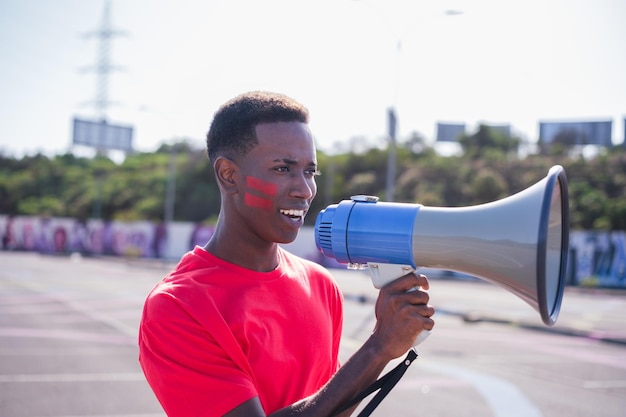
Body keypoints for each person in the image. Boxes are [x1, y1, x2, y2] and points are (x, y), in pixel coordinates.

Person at [138, 91, 435, 417]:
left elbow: (330, 409)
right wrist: (378, 348)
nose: (304, 189)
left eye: (310, 171)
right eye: (283, 169)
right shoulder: (177, 306)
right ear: (229, 175)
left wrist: (386, 343)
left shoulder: (320, 284)